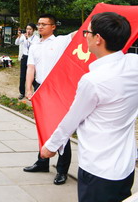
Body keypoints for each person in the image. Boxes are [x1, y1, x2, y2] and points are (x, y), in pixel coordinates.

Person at [39, 12, 137, 201]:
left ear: (98, 39)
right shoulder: (134, 64)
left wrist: (50, 146)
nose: (86, 36)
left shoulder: (93, 81)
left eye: (87, 32)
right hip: (125, 164)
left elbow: (72, 119)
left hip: (98, 166)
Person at [24, 14, 77, 185]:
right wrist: (28, 89)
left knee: (61, 129)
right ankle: (42, 162)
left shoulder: (60, 41)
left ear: (53, 26)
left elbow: (79, 33)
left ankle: (62, 170)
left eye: (44, 24)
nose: (40, 27)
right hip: (40, 89)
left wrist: (95, 20)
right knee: (43, 127)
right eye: (38, 24)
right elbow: (30, 67)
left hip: (58, 89)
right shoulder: (34, 45)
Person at [15, 23, 39, 99]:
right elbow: (16, 43)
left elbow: (35, 46)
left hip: (32, 58)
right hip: (25, 57)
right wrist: (19, 36)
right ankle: (22, 92)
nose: (28, 31)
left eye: (30, 29)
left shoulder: (36, 38)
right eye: (27, 29)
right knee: (22, 76)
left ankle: (37, 89)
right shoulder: (23, 36)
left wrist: (28, 39)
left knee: (31, 76)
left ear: (34, 30)